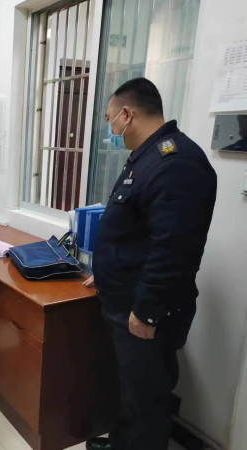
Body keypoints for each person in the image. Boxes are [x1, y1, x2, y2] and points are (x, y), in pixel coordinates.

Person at [83, 78, 217, 450]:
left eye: (110, 119)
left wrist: (147, 310)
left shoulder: (176, 163)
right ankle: (121, 442)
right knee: (132, 389)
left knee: (146, 398)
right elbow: (135, 233)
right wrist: (106, 272)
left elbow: (173, 249)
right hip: (126, 297)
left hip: (145, 309)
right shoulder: (147, 157)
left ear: (127, 114)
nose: (111, 129)